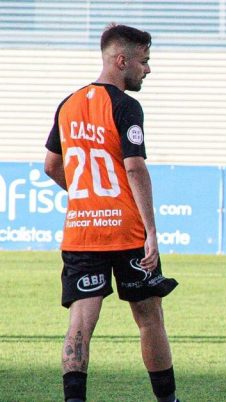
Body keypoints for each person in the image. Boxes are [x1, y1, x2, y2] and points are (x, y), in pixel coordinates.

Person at [43, 24, 180, 402]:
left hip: (81, 232)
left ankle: (74, 400)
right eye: (144, 61)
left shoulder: (68, 103)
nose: (147, 70)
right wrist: (151, 230)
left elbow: (51, 166)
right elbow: (134, 167)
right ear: (122, 61)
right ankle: (167, 400)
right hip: (126, 232)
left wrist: (87, 198)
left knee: (80, 322)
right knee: (149, 317)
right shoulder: (126, 105)